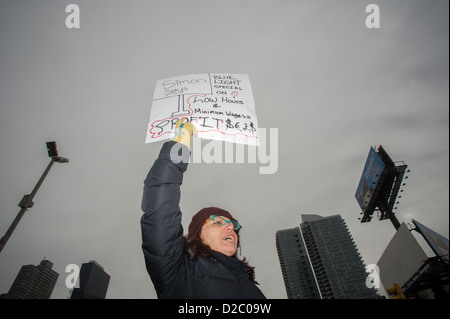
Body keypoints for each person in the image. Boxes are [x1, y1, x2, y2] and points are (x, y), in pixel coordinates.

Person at [140, 119, 266, 299]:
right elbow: (161, 205)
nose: (231, 227)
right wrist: (181, 140)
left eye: (232, 224)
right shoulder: (180, 272)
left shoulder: (250, 283)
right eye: (219, 222)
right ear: (198, 235)